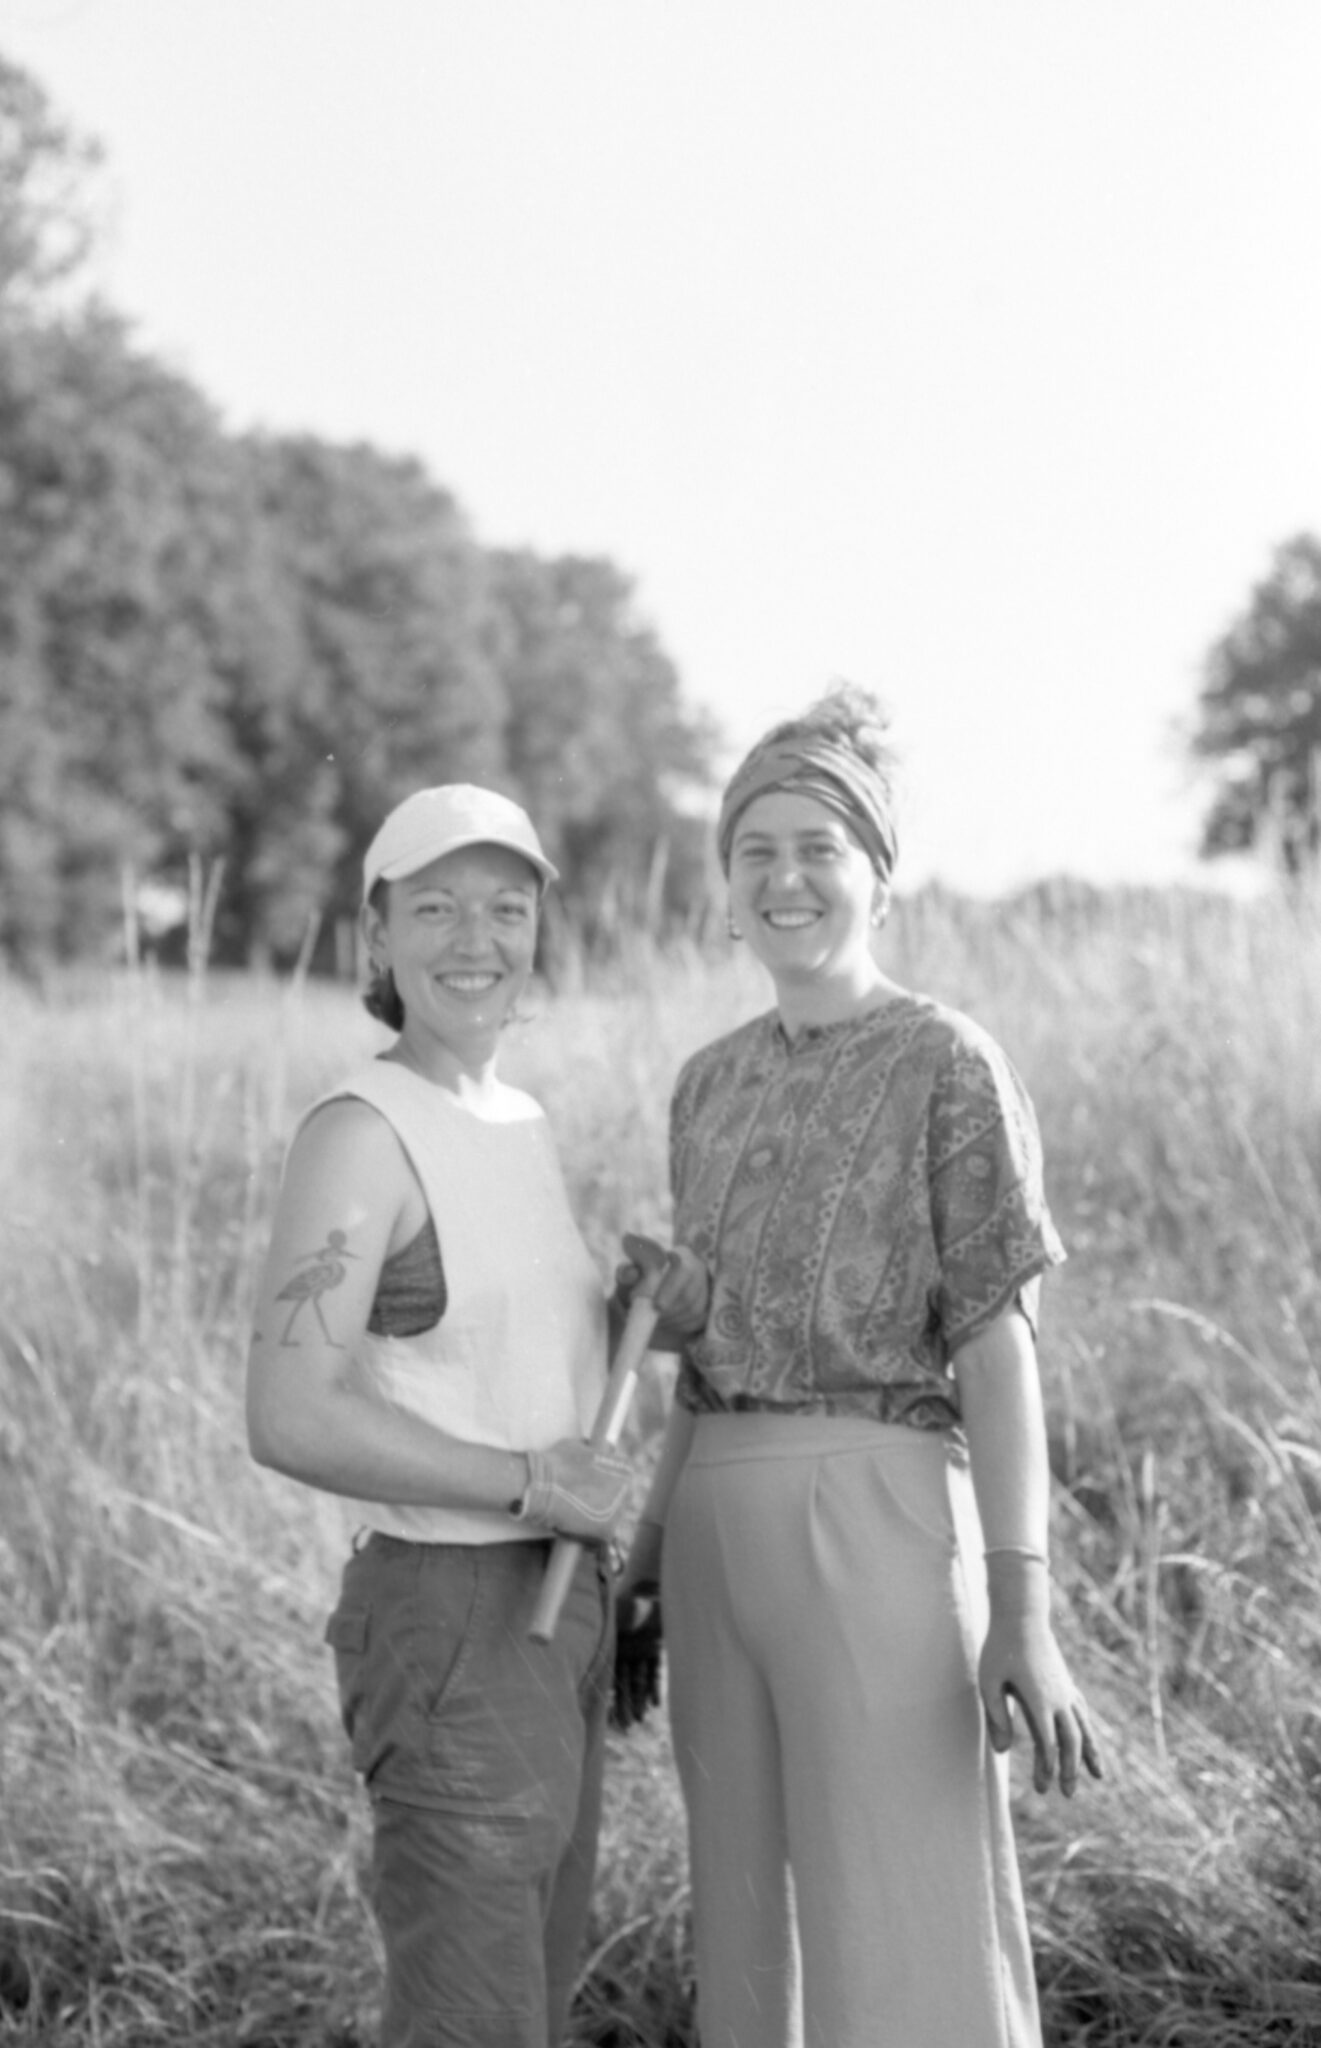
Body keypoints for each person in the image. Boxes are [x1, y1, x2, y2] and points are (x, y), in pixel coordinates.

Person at [613, 686, 1102, 2048]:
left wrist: (1024, 1613)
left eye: (818, 847)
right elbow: (697, 1375)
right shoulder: (705, 1086)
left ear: (878, 876)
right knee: (749, 1950)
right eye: (754, 848)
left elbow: (997, 1345)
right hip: (713, 1530)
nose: (784, 877)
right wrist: (641, 1565)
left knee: (907, 1934)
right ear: (725, 883)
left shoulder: (948, 1060)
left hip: (881, 1521)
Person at [246, 783, 631, 2048]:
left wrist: (633, 1313)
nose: (477, 938)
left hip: (557, 1610)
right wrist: (529, 1477)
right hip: (455, 1615)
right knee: (471, 2024)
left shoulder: (510, 1117)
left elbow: (503, 1353)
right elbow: (289, 1410)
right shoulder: (364, 1132)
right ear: (376, 936)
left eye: (506, 908)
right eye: (436, 907)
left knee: (530, 1999)